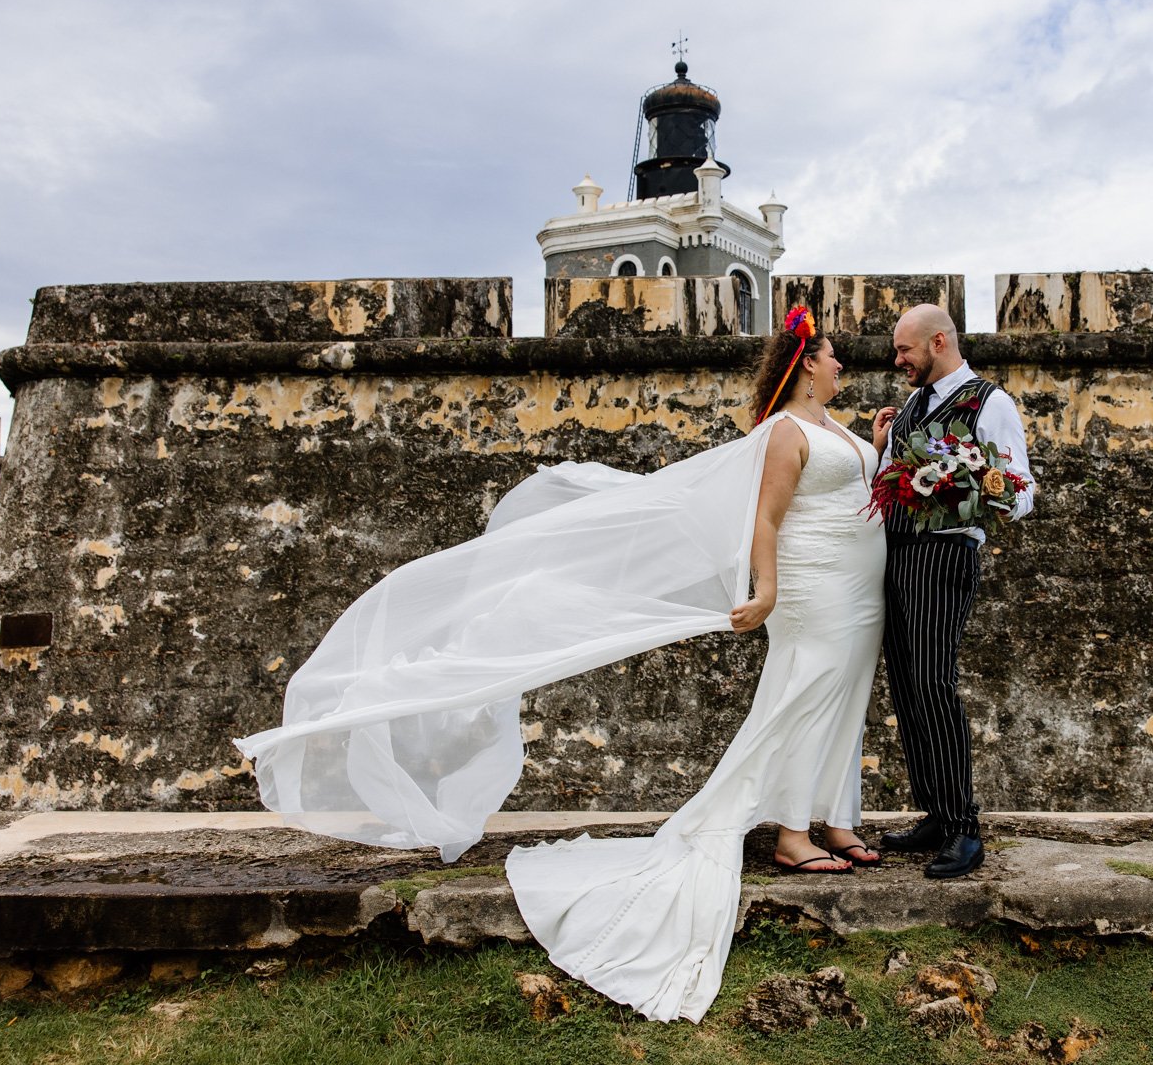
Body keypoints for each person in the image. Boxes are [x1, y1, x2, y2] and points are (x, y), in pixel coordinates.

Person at [233, 308, 888, 1022]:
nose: (841, 368)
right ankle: (792, 833)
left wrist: (877, 445)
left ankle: (833, 818)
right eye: (831, 358)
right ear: (805, 363)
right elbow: (764, 518)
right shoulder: (784, 432)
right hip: (811, 586)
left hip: (857, 591)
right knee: (800, 695)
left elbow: (856, 488)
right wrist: (765, 588)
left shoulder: (836, 429)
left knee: (844, 696)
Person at [874, 304, 1036, 879]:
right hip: (896, 555)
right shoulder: (912, 406)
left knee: (935, 682)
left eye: (905, 350)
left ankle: (965, 830)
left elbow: (1022, 490)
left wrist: (974, 483)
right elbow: (889, 486)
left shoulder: (991, 403)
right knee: (906, 684)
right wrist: (881, 450)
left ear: (938, 341)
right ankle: (937, 814)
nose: (898, 361)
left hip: (946, 556)